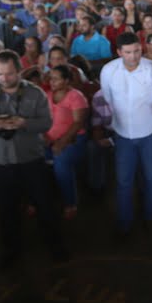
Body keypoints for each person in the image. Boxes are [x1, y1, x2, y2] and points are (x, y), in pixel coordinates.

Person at [0, 50, 66, 269]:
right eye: (0, 74)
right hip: (0, 163)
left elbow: (46, 123)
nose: (4, 78)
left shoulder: (36, 94)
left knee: (45, 205)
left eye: (10, 74)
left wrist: (24, 124)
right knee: (6, 209)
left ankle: (55, 245)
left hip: (31, 160)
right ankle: (11, 249)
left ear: (19, 71)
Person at [99, 32, 152, 236]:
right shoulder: (108, 71)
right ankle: (124, 222)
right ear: (119, 52)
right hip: (123, 132)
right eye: (128, 52)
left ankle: (151, 217)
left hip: (150, 130)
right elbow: (108, 99)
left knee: (151, 176)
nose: (133, 56)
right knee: (123, 180)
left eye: (137, 51)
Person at [44, 65, 89, 220]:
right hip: (50, 138)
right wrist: (44, 137)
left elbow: (78, 123)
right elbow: (45, 119)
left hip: (73, 138)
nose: (52, 81)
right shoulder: (48, 95)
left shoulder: (76, 96)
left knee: (61, 163)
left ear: (67, 80)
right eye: (51, 78)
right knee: (33, 161)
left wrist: (62, 142)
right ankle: (37, 199)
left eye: (56, 79)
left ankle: (70, 202)